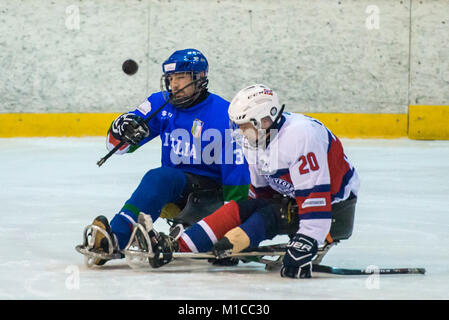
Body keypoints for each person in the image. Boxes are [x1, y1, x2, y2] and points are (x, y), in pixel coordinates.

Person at [136, 84, 360, 278]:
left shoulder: (300, 135)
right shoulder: (255, 140)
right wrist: (232, 238)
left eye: (244, 125)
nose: (241, 132)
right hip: (295, 199)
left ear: (264, 120)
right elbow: (258, 197)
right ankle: (175, 246)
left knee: (270, 214)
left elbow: (315, 197)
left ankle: (187, 245)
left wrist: (307, 241)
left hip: (336, 207)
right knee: (242, 207)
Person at [82, 49, 250, 266]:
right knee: (160, 178)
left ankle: (190, 234)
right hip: (175, 188)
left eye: (181, 77)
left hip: (213, 197)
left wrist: (232, 228)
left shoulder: (224, 115)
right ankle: (113, 240)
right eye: (170, 79)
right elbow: (119, 147)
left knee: (161, 177)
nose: (174, 85)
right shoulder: (160, 104)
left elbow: (237, 175)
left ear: (199, 78)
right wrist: (119, 130)